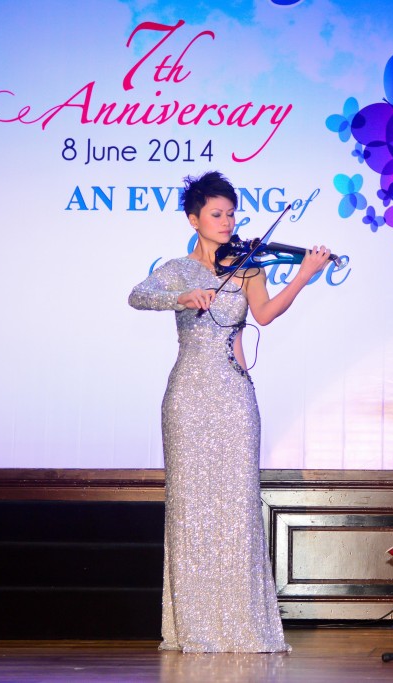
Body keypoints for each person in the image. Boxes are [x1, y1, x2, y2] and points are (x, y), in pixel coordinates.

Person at [128, 171, 330, 653]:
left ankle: (241, 624)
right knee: (191, 508)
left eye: (232, 213)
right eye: (216, 214)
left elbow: (264, 315)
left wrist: (303, 275)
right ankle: (194, 627)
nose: (227, 222)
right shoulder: (178, 268)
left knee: (236, 506)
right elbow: (137, 295)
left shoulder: (248, 266)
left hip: (234, 396)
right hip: (188, 396)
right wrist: (182, 296)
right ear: (193, 218)